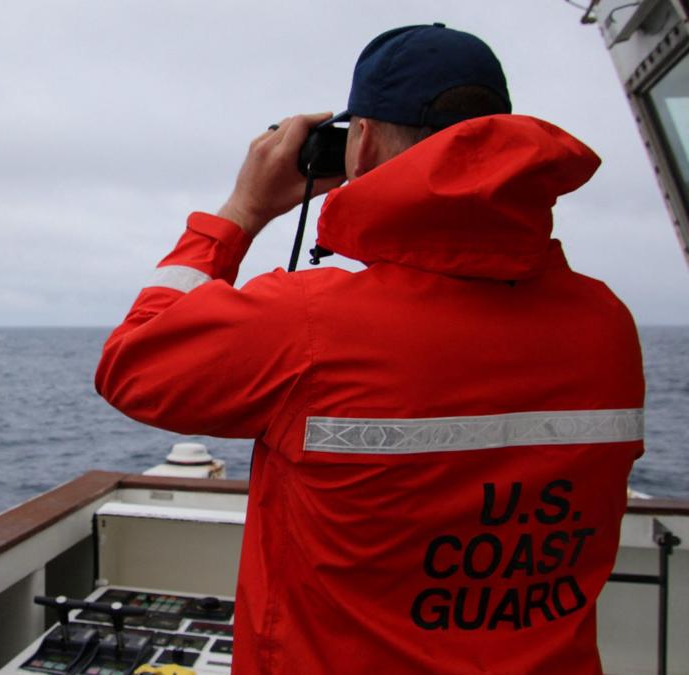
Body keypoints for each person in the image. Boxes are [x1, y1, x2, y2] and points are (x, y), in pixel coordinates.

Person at [95, 23, 645, 673]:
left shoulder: (309, 325)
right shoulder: (607, 324)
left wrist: (241, 210)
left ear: (361, 142)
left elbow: (132, 362)